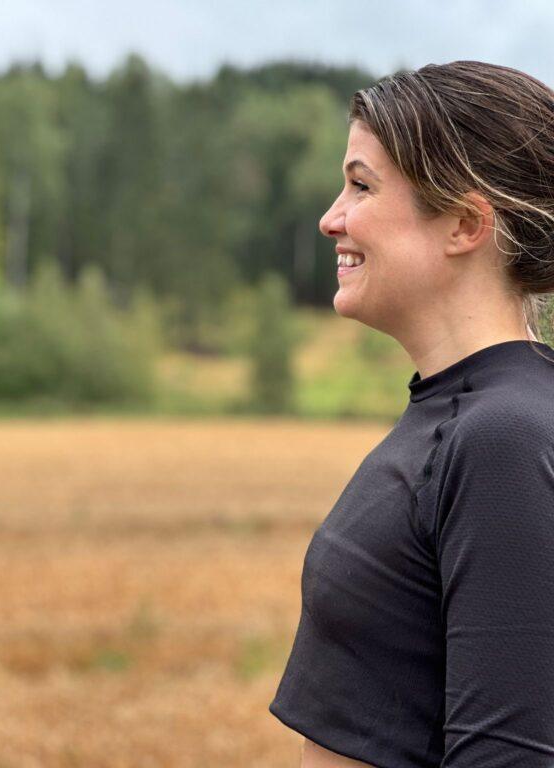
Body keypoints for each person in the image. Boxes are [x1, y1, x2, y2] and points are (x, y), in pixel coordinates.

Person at [268, 60, 554, 767]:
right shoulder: (456, 412)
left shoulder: (503, 437)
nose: (331, 217)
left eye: (361, 185)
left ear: (464, 222)